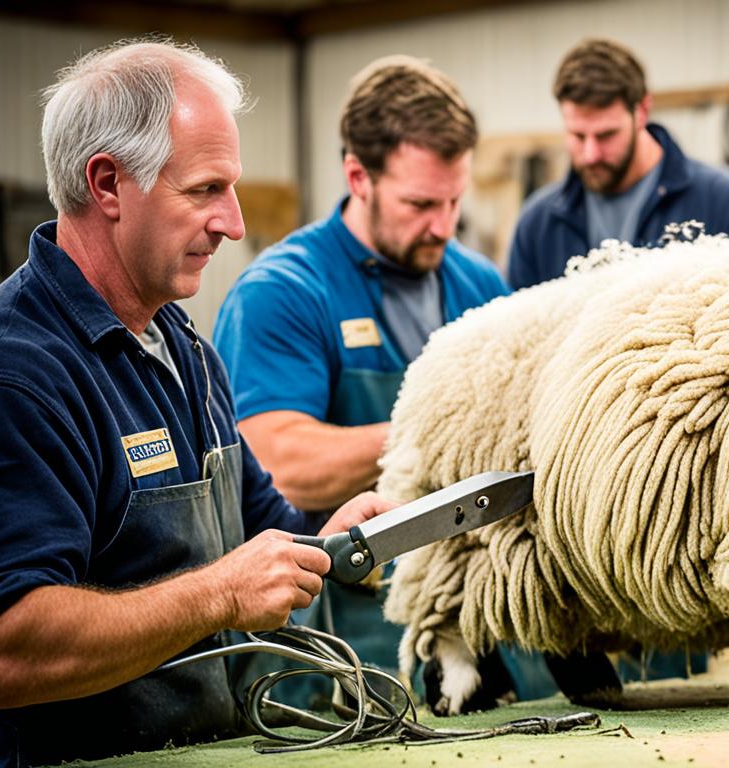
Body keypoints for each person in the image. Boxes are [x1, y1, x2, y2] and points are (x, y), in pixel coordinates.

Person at [0, 39, 395, 765]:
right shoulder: (20, 374)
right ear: (108, 184)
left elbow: (260, 539)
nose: (234, 224)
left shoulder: (186, 351)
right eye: (206, 189)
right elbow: (8, 648)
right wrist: (216, 596)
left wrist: (330, 542)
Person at [211, 56, 545, 703]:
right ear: (358, 176)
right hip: (348, 660)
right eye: (421, 204)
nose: (443, 226)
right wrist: (438, 429)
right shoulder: (283, 293)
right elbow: (277, 462)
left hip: (484, 649)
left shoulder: (478, 284)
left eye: (454, 202)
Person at [506, 38, 729, 291]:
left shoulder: (724, 203)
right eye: (577, 135)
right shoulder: (538, 225)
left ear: (642, 110)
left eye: (606, 135)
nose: (591, 154)